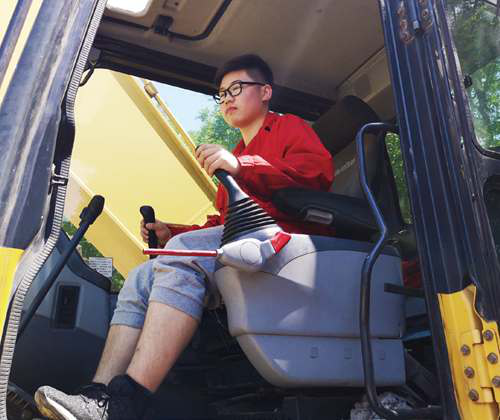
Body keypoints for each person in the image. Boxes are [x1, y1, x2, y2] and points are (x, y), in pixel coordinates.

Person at [34, 54, 334, 420]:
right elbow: (222, 223)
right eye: (222, 94)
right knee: (142, 276)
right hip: (244, 244)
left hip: (287, 244)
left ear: (266, 91)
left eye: (236, 88)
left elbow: (315, 175)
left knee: (181, 252)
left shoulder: (289, 128)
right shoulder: (237, 151)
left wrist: (243, 167)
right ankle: (98, 395)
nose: (227, 99)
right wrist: (171, 232)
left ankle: (128, 403)